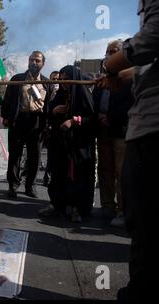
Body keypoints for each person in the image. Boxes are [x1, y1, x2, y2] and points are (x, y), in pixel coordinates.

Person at [97, 0, 159, 299]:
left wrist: (112, 64)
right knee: (153, 221)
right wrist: (127, 75)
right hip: (157, 126)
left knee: (150, 222)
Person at [40, 65, 96, 223]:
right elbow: (50, 116)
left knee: (78, 177)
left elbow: (92, 120)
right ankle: (56, 204)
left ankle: (78, 209)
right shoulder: (59, 95)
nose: (64, 83)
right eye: (61, 79)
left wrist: (74, 121)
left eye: (67, 79)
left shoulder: (83, 94)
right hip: (60, 144)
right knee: (57, 175)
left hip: (78, 146)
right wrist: (54, 111)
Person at [94, 40, 134, 227]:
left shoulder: (129, 77)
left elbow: (130, 104)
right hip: (103, 132)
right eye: (108, 52)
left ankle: (122, 211)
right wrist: (99, 116)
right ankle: (107, 205)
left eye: (114, 52)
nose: (110, 55)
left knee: (121, 172)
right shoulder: (101, 79)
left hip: (120, 132)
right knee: (104, 170)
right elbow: (95, 102)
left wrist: (111, 117)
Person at [1, 51, 52, 199]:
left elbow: (48, 105)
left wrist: (47, 123)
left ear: (43, 64)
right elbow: (7, 99)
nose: (34, 63)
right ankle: (13, 185)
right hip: (19, 120)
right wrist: (6, 116)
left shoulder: (46, 82)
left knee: (34, 156)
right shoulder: (17, 79)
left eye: (37, 61)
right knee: (15, 155)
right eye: (31, 60)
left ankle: (30, 186)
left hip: (37, 122)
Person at [42, 70, 60, 187]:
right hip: (45, 125)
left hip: (56, 126)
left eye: (57, 80)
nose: (55, 82)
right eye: (53, 80)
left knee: (53, 153)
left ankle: (49, 177)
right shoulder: (46, 91)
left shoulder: (61, 92)